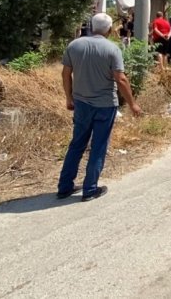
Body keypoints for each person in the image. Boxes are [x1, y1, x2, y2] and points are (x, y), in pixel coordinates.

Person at [58, 13, 142, 201]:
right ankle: (90, 189)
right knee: (98, 146)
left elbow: (65, 74)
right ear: (110, 30)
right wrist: (133, 104)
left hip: (81, 104)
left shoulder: (74, 45)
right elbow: (120, 79)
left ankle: (64, 187)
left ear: (91, 26)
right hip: (105, 105)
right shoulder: (112, 49)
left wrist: (68, 98)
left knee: (77, 144)